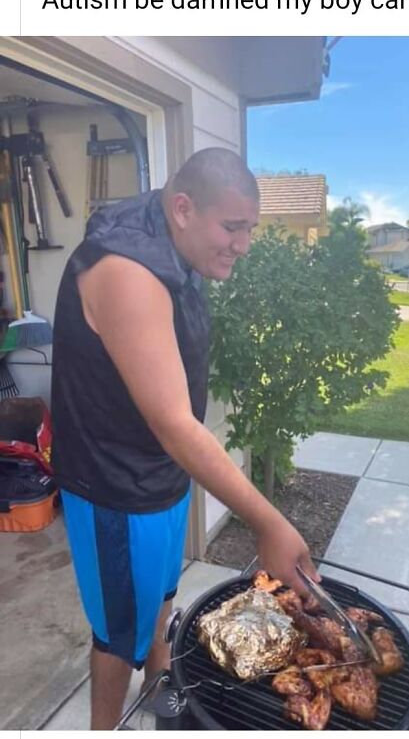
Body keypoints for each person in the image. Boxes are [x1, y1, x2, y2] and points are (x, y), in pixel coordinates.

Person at [51, 148, 320, 729]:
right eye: (232, 227)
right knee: (118, 631)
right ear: (181, 209)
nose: (243, 245)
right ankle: (105, 726)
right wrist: (268, 521)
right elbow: (174, 421)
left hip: (161, 474)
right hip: (113, 489)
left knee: (161, 597)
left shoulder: (176, 249)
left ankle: (160, 692)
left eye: (249, 228)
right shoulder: (125, 272)